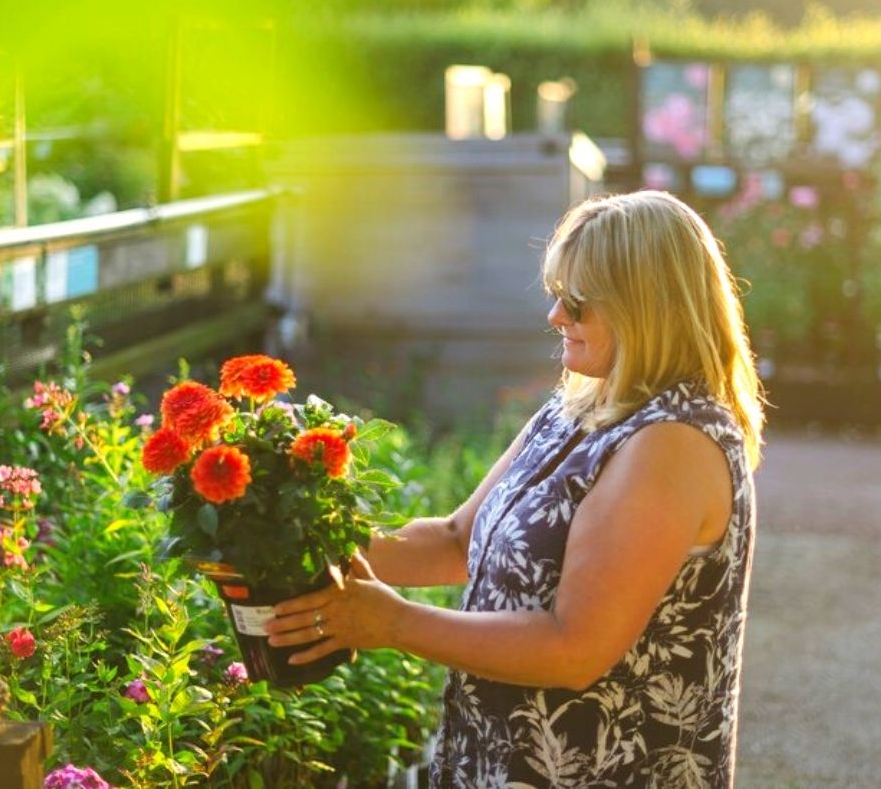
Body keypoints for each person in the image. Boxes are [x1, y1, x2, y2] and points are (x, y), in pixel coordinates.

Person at [264, 189, 765, 788]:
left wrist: (391, 623)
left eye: (577, 303)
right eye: (557, 296)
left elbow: (574, 647)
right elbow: (456, 541)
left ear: (646, 308)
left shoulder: (672, 445)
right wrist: (292, 532)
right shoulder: (581, 406)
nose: (556, 317)